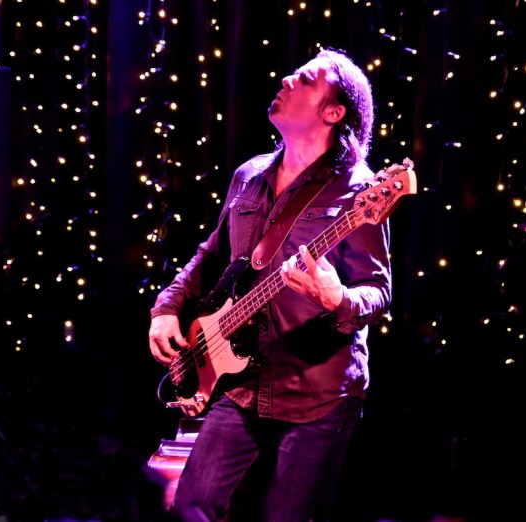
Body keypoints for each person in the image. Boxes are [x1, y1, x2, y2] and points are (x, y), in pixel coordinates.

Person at [148, 47, 392, 522]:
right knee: (189, 509)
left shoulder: (361, 192)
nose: (286, 80)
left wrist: (338, 297)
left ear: (333, 112)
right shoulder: (250, 174)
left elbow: (377, 290)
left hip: (317, 394)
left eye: (305, 79)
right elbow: (211, 254)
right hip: (240, 383)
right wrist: (167, 307)